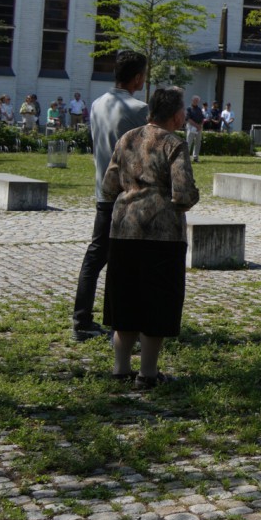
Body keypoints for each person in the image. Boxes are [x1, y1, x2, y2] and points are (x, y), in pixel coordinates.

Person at [99, 85, 197, 389]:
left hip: (123, 229)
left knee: (125, 301)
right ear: (177, 115)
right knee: (157, 303)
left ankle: (120, 369)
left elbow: (108, 186)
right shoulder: (174, 144)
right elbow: (183, 194)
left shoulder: (127, 138)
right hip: (162, 235)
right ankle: (148, 374)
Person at [75, 53, 150, 341]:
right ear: (138, 78)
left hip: (103, 191)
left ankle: (82, 319)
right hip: (130, 195)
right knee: (129, 263)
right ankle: (124, 324)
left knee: (95, 257)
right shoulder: (139, 109)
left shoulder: (97, 103)